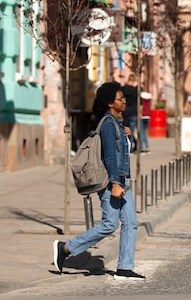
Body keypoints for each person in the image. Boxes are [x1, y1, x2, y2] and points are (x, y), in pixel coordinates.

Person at [53, 82, 145, 281]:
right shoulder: (109, 124)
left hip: (121, 180)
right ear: (111, 103)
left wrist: (128, 135)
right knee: (109, 224)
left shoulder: (117, 124)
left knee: (131, 223)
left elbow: (124, 151)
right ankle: (67, 247)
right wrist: (114, 183)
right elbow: (110, 156)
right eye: (121, 99)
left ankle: (125, 268)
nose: (124, 101)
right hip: (111, 183)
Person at [121, 74, 139, 152]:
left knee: (125, 131)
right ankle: (131, 147)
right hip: (134, 113)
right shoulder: (136, 90)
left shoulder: (124, 89)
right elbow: (139, 102)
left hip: (125, 112)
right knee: (131, 131)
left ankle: (128, 147)